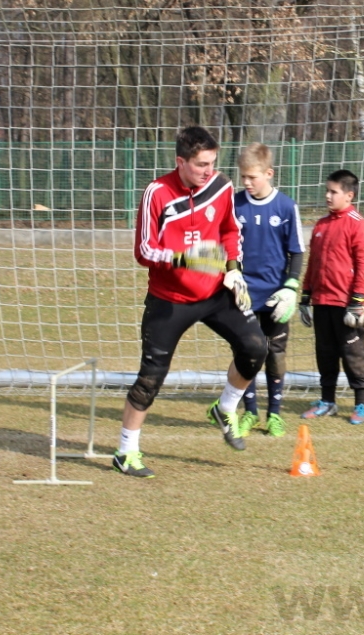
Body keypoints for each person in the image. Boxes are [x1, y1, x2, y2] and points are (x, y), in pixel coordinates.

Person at [112, 126, 269, 478]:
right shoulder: (157, 193)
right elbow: (144, 250)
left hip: (216, 293)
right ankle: (126, 452)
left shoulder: (222, 186)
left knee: (257, 347)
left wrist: (234, 269)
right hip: (170, 299)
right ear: (180, 161)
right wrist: (184, 258)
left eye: (212, 163)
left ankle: (225, 408)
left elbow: (230, 230)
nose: (208, 171)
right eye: (200, 164)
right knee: (150, 379)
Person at [233, 143, 305, 438]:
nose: (247, 183)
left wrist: (291, 286)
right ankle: (249, 412)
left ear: (269, 173)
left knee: (275, 354)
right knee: (248, 352)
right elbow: (228, 247)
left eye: (252, 177)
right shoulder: (236, 204)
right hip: (244, 293)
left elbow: (297, 252)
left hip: (277, 295)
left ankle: (274, 414)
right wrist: (231, 275)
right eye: (243, 178)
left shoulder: (286, 207)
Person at [298, 169, 364, 425]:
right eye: (327, 191)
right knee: (325, 353)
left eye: (333, 191)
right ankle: (327, 401)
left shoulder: (358, 224)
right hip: (322, 302)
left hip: (346, 304)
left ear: (349, 195)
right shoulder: (321, 225)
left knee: (353, 353)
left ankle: (361, 404)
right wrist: (305, 296)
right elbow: (313, 264)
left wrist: (358, 301)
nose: (328, 196)